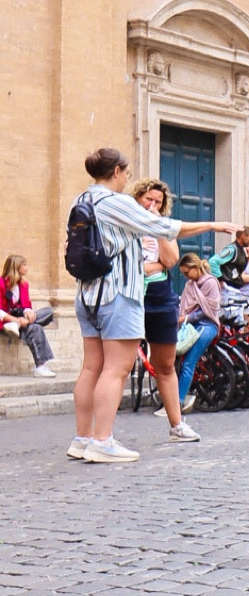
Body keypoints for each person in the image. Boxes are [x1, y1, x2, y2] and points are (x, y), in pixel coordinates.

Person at [68, 148, 183, 463]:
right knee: (115, 369)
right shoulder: (116, 202)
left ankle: (82, 439)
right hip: (118, 294)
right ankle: (103, 441)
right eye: (126, 173)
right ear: (117, 171)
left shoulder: (81, 201)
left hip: (88, 294)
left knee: (91, 367)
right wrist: (214, 226)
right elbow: (166, 232)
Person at [129, 179, 232, 443]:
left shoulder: (162, 226)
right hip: (129, 296)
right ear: (137, 197)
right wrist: (154, 266)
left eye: (158, 203)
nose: (152, 206)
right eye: (148, 200)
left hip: (159, 296)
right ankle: (100, 433)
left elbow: (171, 260)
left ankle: (177, 425)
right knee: (120, 364)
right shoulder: (126, 221)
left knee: (165, 364)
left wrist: (158, 228)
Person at [176, 252, 221, 408]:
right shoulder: (190, 285)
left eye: (187, 273)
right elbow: (184, 305)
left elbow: (209, 309)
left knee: (189, 361)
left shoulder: (210, 283)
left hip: (208, 325)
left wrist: (187, 318)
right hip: (190, 325)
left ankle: (178, 401)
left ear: (195, 267)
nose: (186, 277)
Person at [1, 256, 59, 375]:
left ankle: (40, 367)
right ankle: (40, 366)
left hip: (19, 320)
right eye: (24, 265)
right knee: (35, 328)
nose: (27, 268)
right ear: (16, 267)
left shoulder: (23, 285)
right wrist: (15, 319)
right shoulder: (1, 284)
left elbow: (26, 304)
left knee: (48, 312)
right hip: (6, 320)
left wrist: (27, 312)